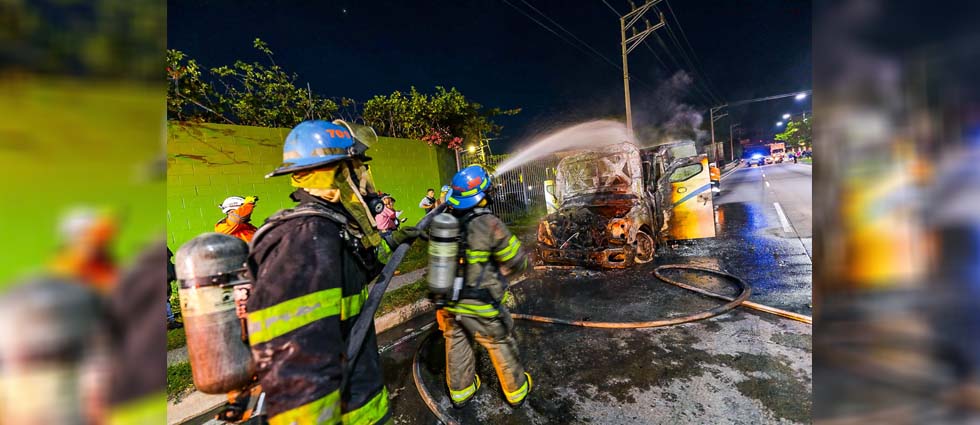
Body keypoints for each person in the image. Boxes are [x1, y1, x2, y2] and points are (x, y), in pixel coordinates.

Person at [246, 119, 418, 425]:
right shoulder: (306, 238)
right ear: (339, 173)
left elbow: (355, 275)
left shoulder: (332, 231)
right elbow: (299, 370)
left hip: (361, 400)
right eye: (359, 169)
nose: (366, 180)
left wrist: (393, 241)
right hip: (348, 413)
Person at [437, 164, 532, 408]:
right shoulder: (489, 223)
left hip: (449, 301)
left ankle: (461, 392)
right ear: (482, 195)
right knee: (499, 341)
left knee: (457, 342)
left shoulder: (444, 221)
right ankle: (516, 391)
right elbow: (517, 259)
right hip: (481, 302)